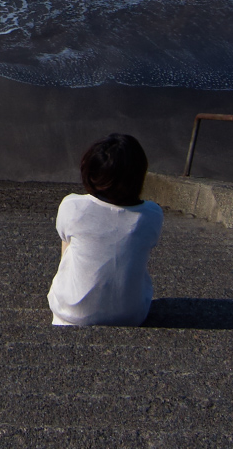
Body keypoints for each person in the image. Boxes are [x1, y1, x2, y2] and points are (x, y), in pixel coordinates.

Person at [47, 134, 164, 326]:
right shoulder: (152, 214)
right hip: (131, 316)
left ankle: (76, 292)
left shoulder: (73, 206)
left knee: (70, 238)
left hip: (70, 315)